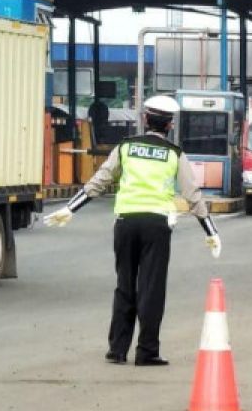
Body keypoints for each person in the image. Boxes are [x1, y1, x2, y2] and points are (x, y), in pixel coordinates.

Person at [44, 95, 221, 366]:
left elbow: (99, 180)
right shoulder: (174, 154)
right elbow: (192, 195)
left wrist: (70, 208)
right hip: (156, 226)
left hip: (125, 223)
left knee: (124, 285)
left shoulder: (126, 147)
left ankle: (117, 350)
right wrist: (210, 230)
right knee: (151, 288)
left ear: (145, 119)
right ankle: (147, 351)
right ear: (170, 125)